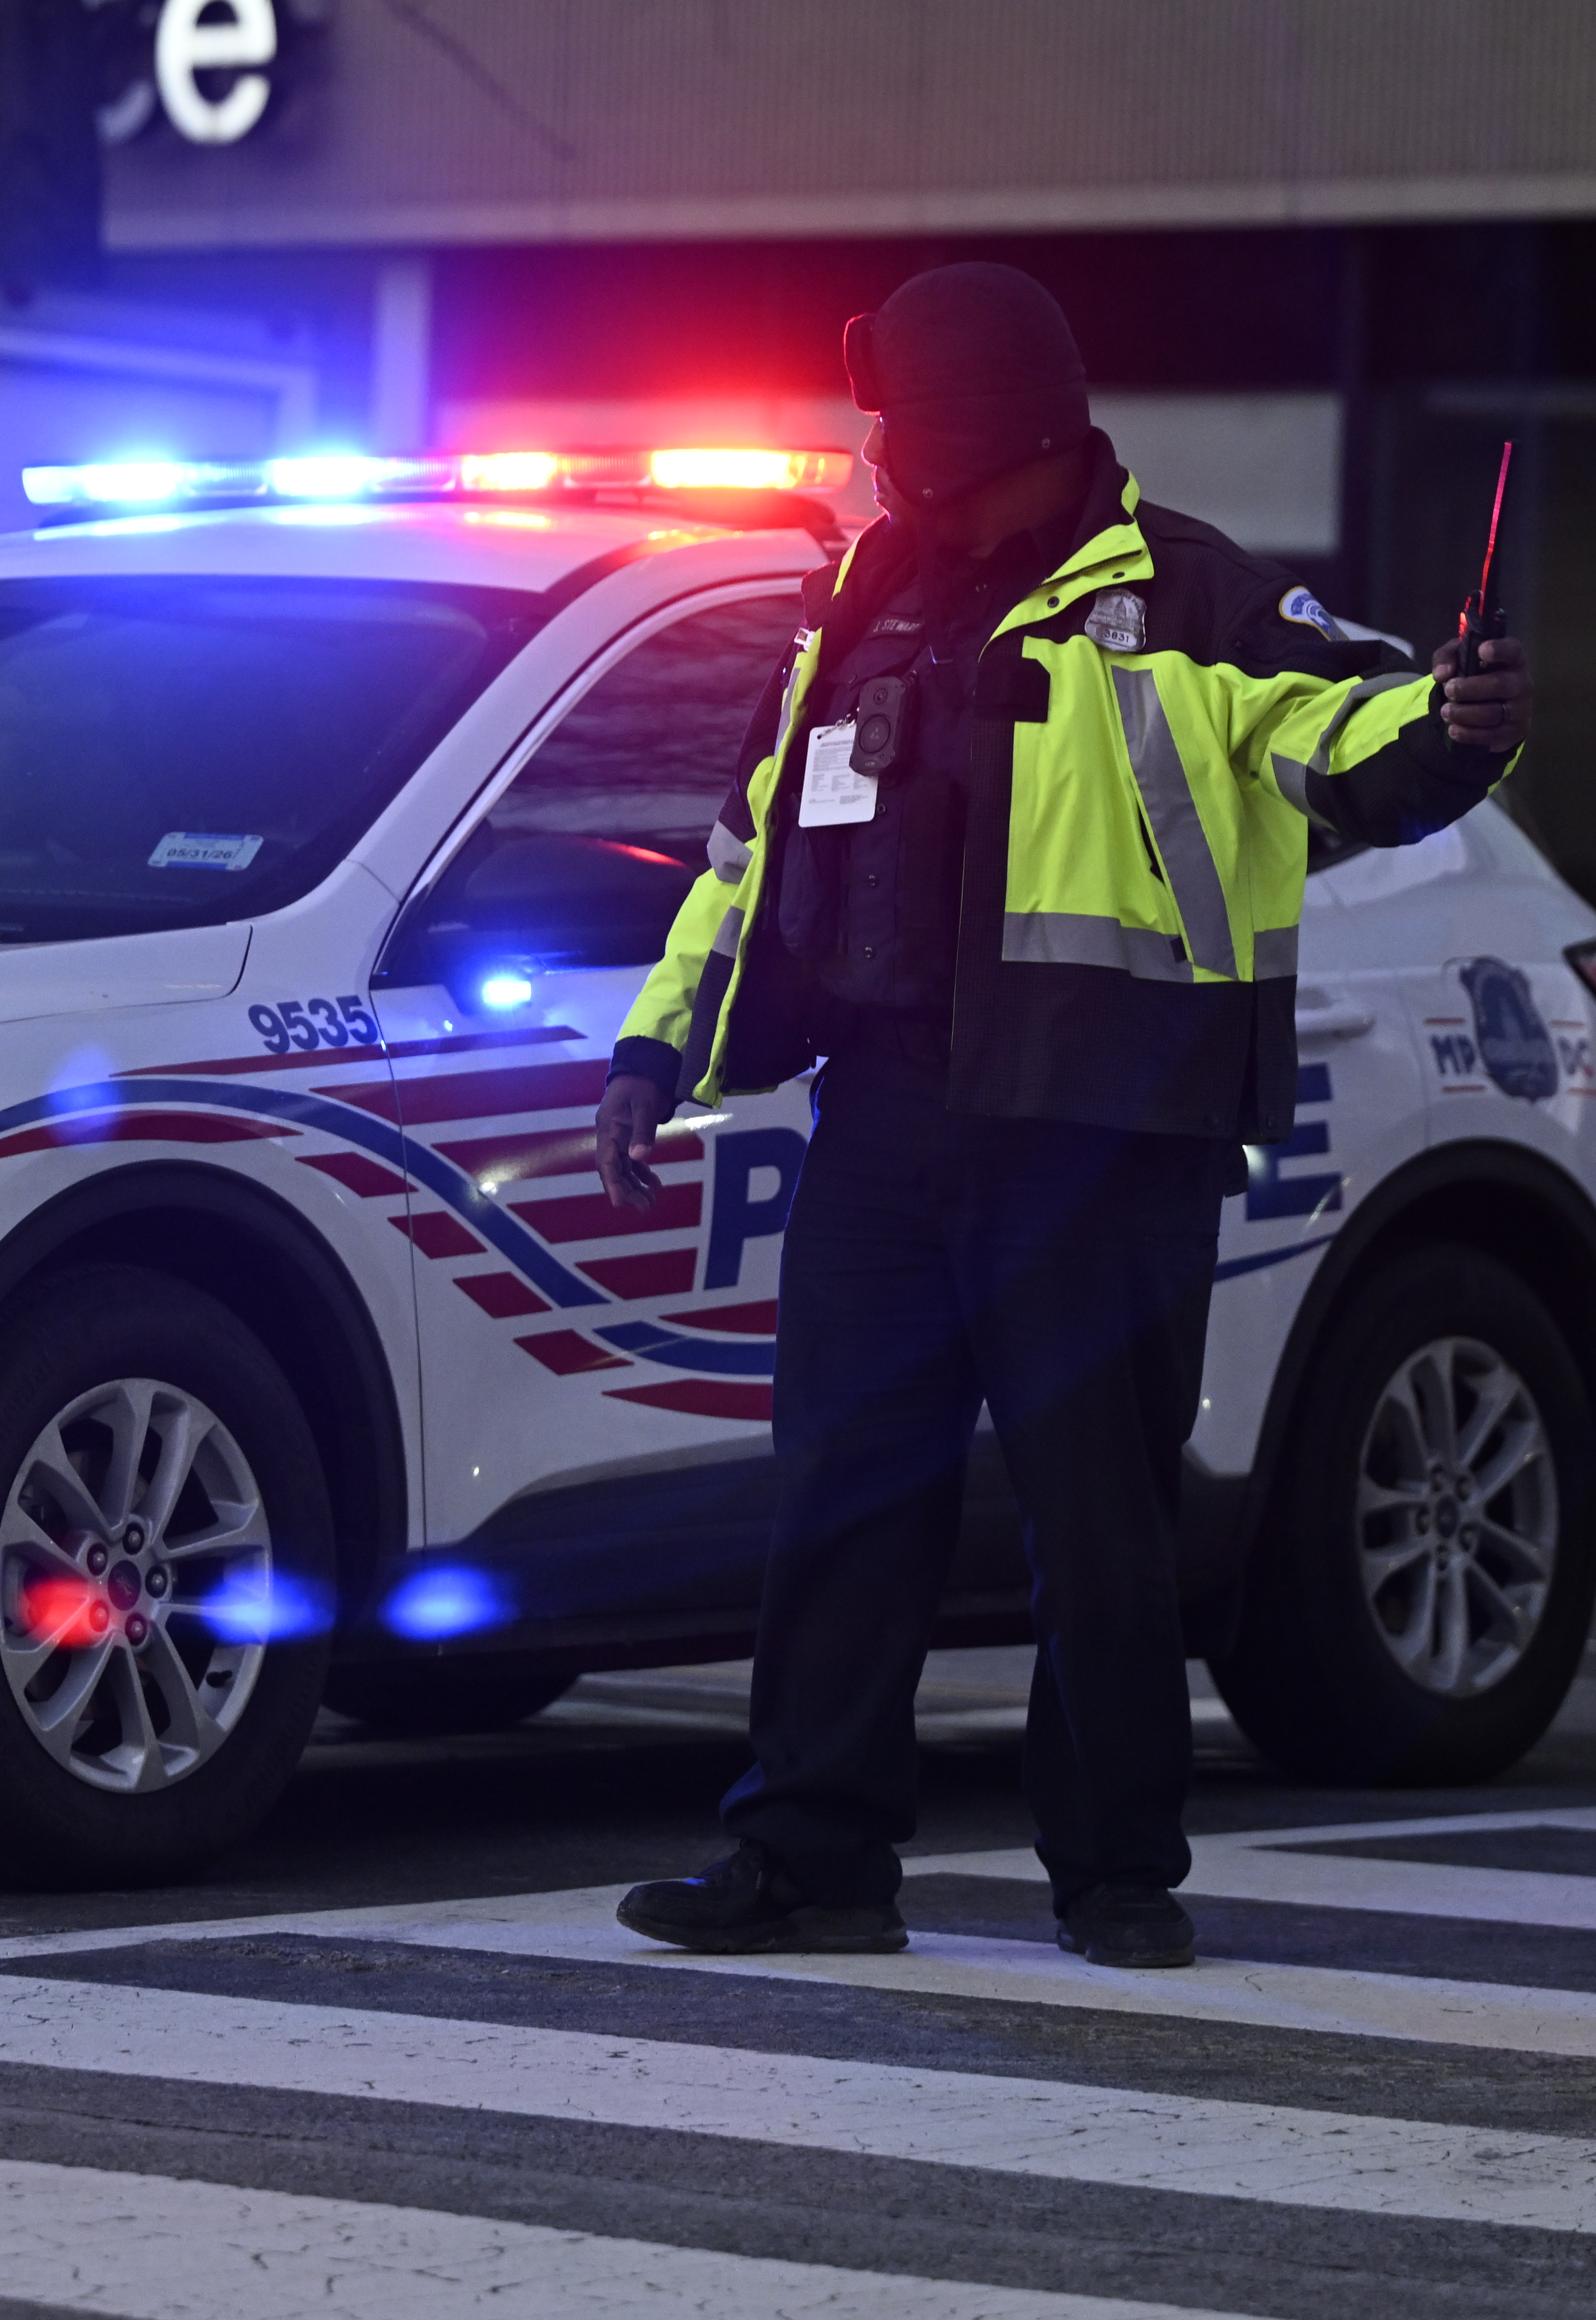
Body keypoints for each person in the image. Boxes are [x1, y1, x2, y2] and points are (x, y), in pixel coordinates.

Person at [602, 264, 1532, 1969]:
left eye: (899, 426)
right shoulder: (863, 605)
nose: (877, 457)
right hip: (884, 1126)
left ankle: (1116, 1876)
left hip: (1100, 1134)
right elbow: (749, 861)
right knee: (841, 1501)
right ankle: (813, 1862)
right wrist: (655, 1050)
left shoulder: (1187, 600)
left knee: (1099, 1519)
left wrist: (1452, 729)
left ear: (973, 430)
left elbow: (1346, 728)